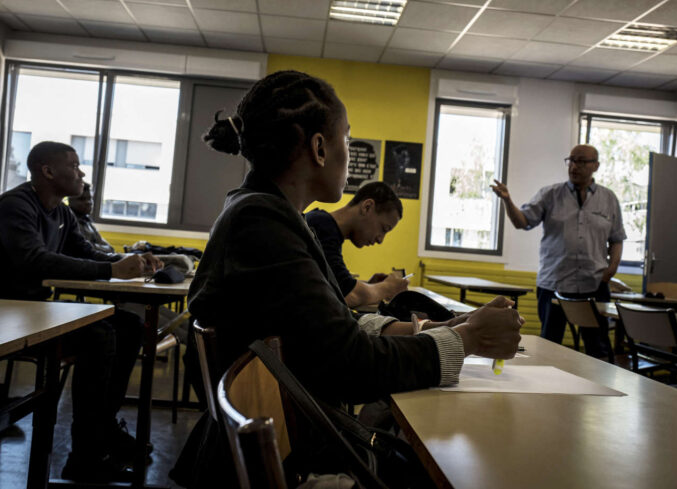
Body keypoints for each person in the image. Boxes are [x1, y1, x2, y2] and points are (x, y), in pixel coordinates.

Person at [181, 70, 522, 485]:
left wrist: (444, 327)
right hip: (298, 454)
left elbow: (330, 324)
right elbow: (350, 365)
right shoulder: (261, 221)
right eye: (347, 137)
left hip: (295, 429)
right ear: (320, 148)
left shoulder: (268, 212)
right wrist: (470, 341)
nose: (349, 148)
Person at [0, 141, 163, 482]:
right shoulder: (16, 205)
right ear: (47, 171)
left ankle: (102, 430)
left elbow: (86, 253)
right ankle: (85, 454)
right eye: (75, 165)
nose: (82, 173)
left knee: (129, 326)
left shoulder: (62, 212)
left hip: (29, 311)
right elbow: (32, 260)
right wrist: (113, 271)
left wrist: (129, 263)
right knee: (99, 335)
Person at [491, 144, 626, 357]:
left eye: (581, 161)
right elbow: (522, 222)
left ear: (596, 166)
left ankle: (598, 388)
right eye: (571, 160)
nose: (574, 166)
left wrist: (612, 268)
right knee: (549, 344)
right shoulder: (550, 194)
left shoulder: (609, 199)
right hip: (554, 283)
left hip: (594, 284)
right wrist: (508, 200)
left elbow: (617, 238)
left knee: (597, 348)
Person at [305, 181, 408, 308]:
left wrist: (369, 286)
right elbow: (349, 296)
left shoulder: (323, 224)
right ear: (367, 207)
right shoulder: (322, 226)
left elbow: (334, 286)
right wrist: (388, 287)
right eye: (383, 229)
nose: (380, 240)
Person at [68, 182, 115, 253]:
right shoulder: (68, 221)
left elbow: (110, 248)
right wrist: (94, 246)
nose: (89, 202)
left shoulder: (87, 222)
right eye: (82, 199)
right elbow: (82, 249)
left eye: (90, 198)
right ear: (70, 201)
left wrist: (92, 246)